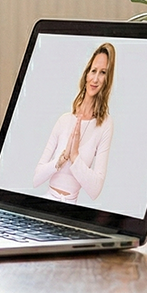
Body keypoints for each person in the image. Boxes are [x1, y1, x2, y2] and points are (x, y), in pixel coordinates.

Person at [33, 42, 115, 203]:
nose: (96, 78)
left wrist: (75, 156)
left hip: (72, 207)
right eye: (93, 71)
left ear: (108, 79)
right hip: (47, 201)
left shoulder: (105, 125)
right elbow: (36, 179)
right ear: (86, 75)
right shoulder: (64, 120)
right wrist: (62, 159)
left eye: (103, 72)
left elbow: (95, 189)